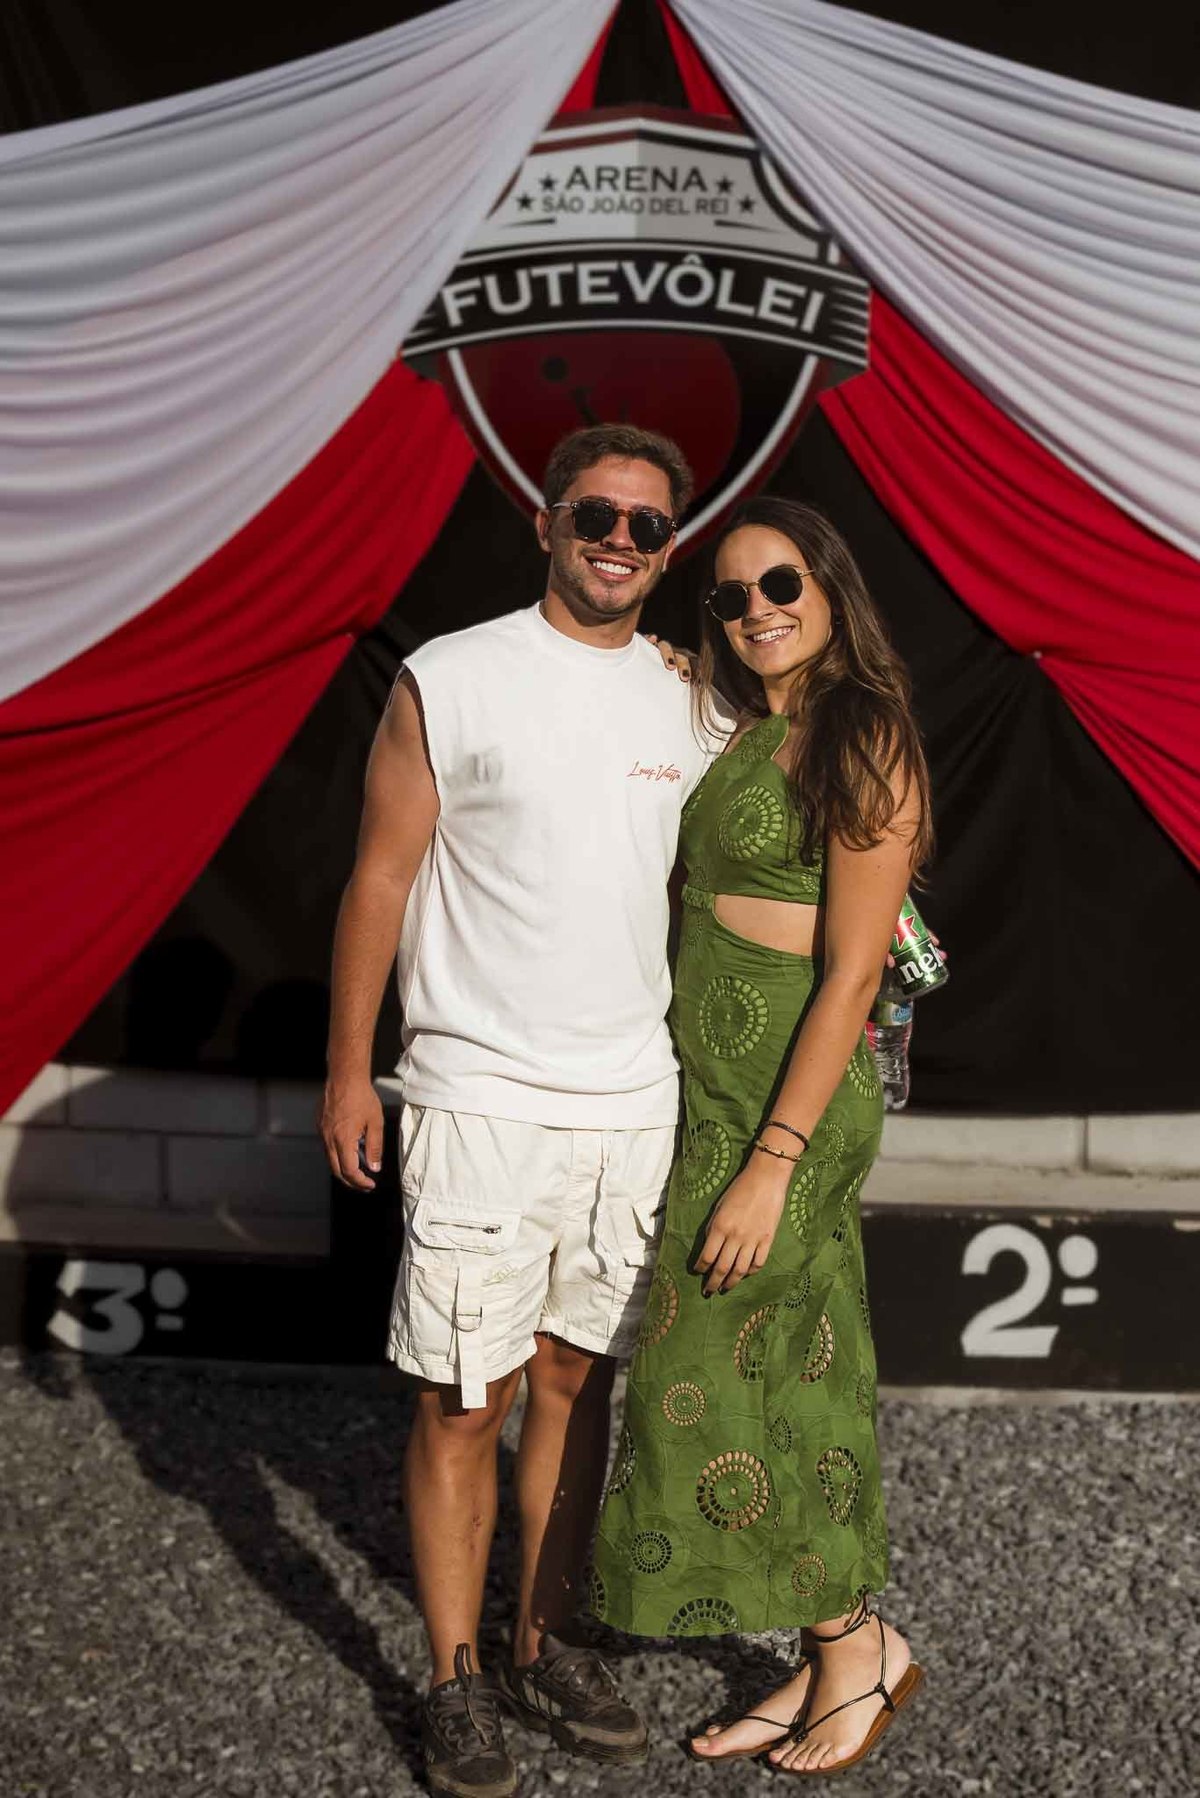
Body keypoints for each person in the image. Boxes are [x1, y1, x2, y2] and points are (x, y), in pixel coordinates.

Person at [319, 423, 728, 1798]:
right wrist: (349, 1068)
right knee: (460, 1399)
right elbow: (380, 879)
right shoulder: (450, 677)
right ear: (545, 522)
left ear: (671, 548)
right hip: (477, 1096)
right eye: (595, 515)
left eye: (646, 525)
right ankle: (455, 1679)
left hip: (631, 1106)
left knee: (574, 1382)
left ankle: (543, 1641)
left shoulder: (694, 700)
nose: (618, 541)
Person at [592, 496, 933, 1777]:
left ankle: (856, 1647)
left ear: (831, 587)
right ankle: (834, 1648)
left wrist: (774, 1160)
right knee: (791, 1367)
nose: (757, 610)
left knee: (721, 1367)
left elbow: (853, 972)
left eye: (781, 583)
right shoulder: (749, 722)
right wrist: (680, 661)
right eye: (731, 596)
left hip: (792, 1107)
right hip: (721, 1093)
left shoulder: (864, 732)